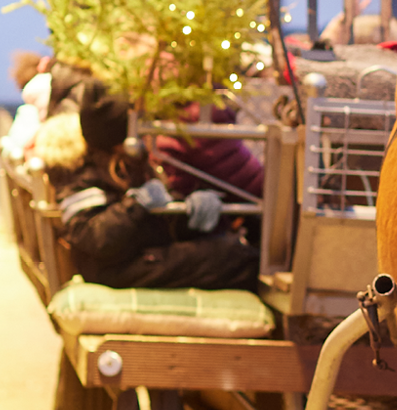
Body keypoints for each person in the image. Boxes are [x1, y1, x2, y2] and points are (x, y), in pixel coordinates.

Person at [37, 82, 259, 292]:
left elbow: (155, 219)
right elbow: (94, 237)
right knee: (236, 260)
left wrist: (188, 212)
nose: (147, 135)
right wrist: (136, 205)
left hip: (138, 253)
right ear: (120, 139)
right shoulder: (81, 171)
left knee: (235, 254)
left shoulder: (127, 162)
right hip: (113, 268)